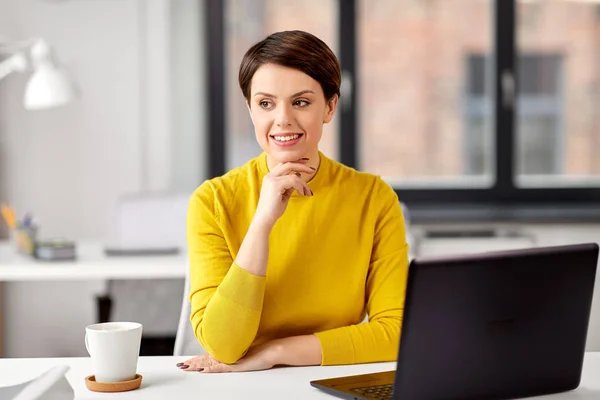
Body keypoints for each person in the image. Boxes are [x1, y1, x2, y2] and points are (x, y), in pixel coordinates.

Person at [177, 30, 409, 373]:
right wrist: (263, 222)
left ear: (329, 107)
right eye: (266, 103)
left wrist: (274, 353)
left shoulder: (373, 198)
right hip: (242, 387)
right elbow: (224, 346)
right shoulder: (213, 201)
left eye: (301, 102)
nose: (282, 119)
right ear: (250, 109)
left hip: (333, 377)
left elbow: (396, 334)